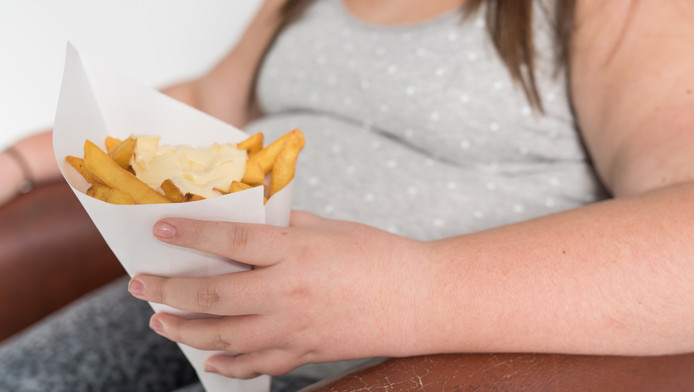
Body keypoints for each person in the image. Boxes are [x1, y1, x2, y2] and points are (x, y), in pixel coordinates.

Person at [1, 0, 694, 390]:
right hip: (181, 300)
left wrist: (413, 293)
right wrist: (17, 164)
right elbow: (204, 100)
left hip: (390, 366)